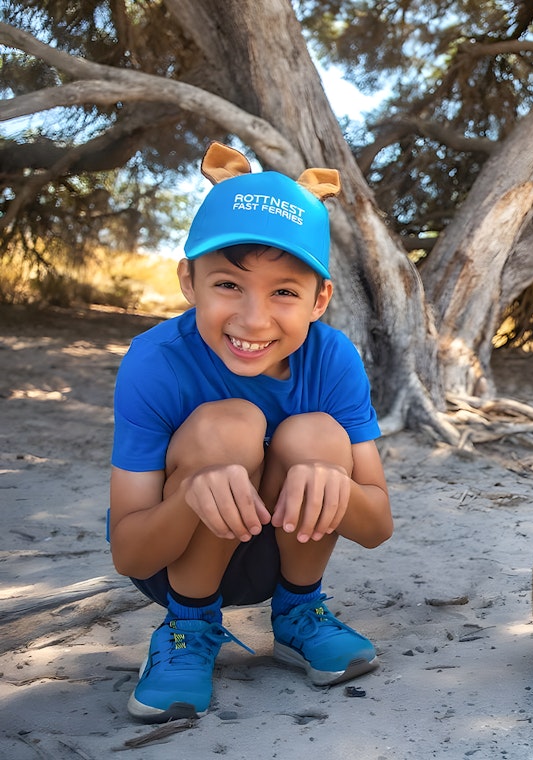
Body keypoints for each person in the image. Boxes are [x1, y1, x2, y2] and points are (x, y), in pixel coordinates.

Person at [108, 143, 393, 722]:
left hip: (278, 553)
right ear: (189, 280)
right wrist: (193, 494)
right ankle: (188, 629)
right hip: (173, 557)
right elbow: (130, 553)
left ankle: (298, 615)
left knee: (316, 436)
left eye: (284, 291)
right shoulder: (155, 360)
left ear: (320, 299)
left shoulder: (333, 359)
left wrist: (334, 484)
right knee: (231, 424)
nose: (254, 319)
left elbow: (378, 526)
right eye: (228, 285)